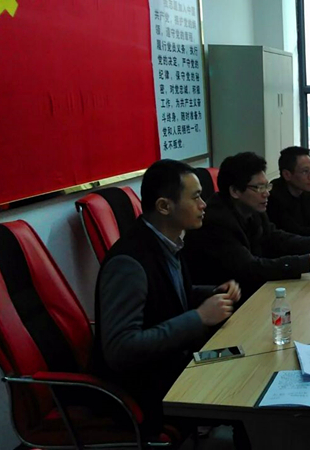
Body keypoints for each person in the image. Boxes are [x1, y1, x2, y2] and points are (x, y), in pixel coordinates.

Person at [91, 159, 241, 438]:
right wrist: (199, 317)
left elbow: (170, 295)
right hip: (145, 387)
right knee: (241, 388)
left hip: (172, 363)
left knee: (242, 358)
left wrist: (212, 293)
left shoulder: (169, 242)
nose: (204, 205)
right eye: (195, 197)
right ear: (164, 206)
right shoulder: (128, 262)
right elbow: (121, 349)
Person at [184, 152, 310, 299]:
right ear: (235, 191)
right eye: (259, 187)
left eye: (267, 186)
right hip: (227, 303)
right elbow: (250, 268)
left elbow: (276, 238)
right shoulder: (215, 221)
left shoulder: (253, 209)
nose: (266, 193)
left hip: (255, 292)